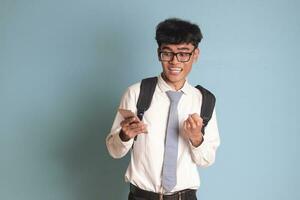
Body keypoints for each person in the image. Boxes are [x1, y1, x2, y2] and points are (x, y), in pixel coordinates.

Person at [106, 18, 220, 200]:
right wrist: (124, 135)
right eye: (167, 53)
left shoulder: (204, 101)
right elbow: (114, 150)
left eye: (183, 54)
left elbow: (206, 160)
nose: (174, 62)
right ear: (158, 53)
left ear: (195, 54)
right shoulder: (136, 93)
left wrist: (197, 137)